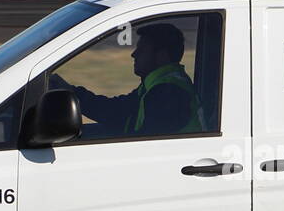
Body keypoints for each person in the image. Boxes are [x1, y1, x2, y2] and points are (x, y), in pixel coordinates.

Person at [52, 23, 205, 137]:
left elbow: (149, 146)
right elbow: (116, 111)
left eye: (142, 49)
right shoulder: (157, 85)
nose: (134, 54)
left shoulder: (168, 93)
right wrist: (72, 93)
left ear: (161, 55)